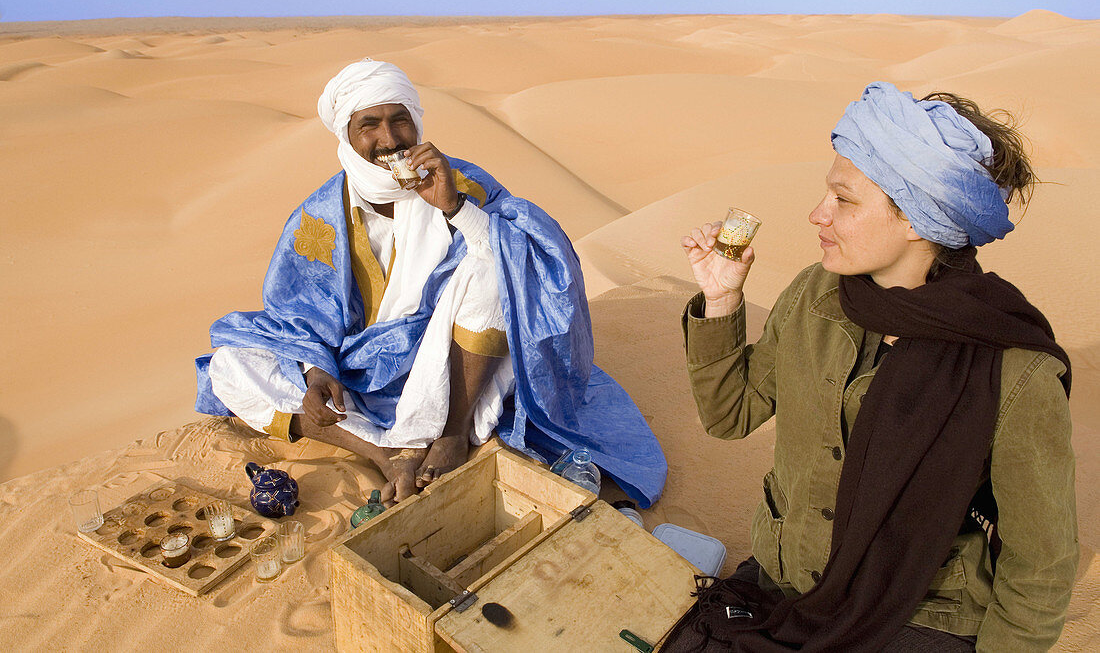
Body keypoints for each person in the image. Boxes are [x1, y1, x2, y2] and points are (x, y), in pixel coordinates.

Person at [673, 82, 1075, 651]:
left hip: (913, 616)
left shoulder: (1013, 369)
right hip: (785, 585)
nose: (817, 215)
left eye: (844, 199)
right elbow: (728, 416)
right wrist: (722, 302)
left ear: (917, 218)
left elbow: (1040, 568)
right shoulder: (815, 295)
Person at [194, 58, 665, 508]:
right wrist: (318, 373)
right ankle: (385, 454)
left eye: (400, 120)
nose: (389, 139)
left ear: (416, 121)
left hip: (451, 363)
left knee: (495, 267)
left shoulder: (458, 181)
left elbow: (534, 259)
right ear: (346, 134)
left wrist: (453, 207)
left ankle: (451, 433)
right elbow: (297, 312)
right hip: (358, 372)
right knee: (232, 364)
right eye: (369, 125)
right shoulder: (318, 216)